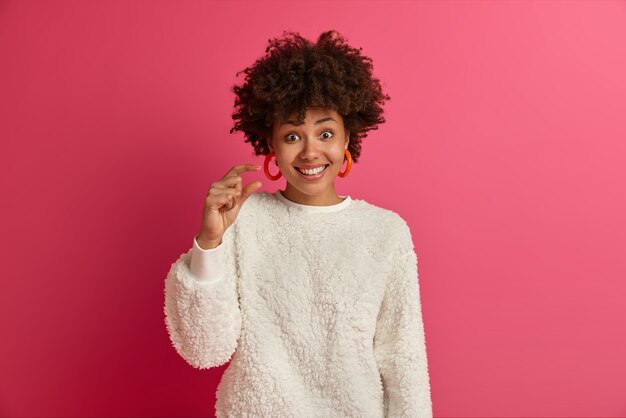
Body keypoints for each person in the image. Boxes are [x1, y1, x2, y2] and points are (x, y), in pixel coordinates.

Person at [163, 29, 433, 417]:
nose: (310, 151)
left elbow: (403, 359)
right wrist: (209, 243)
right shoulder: (244, 221)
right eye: (292, 135)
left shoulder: (385, 233)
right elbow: (204, 349)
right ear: (271, 143)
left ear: (347, 140)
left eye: (325, 133)